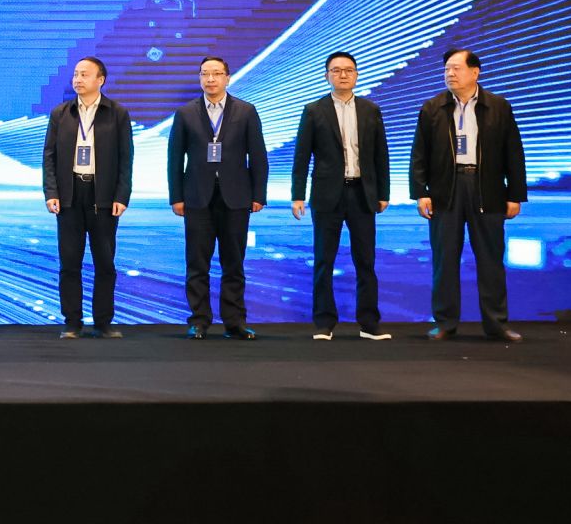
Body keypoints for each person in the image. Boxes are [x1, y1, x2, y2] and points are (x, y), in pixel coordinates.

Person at [411, 48, 529, 342]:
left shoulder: (498, 106)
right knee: (445, 259)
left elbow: (513, 152)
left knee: (491, 258)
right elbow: (419, 154)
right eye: (447, 69)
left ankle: (496, 323)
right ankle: (445, 323)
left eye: (456, 68)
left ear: (475, 72)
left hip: (486, 188)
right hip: (445, 190)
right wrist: (421, 192)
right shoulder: (432, 107)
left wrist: (515, 194)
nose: (450, 74)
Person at [291, 52, 392, 341]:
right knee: (324, 260)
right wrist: (298, 195)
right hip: (327, 195)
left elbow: (381, 155)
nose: (343, 75)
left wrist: (383, 192)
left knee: (366, 261)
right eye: (336, 70)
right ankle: (324, 323)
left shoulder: (370, 110)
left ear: (357, 75)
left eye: (348, 70)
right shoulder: (314, 110)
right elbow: (302, 156)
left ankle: (369, 323)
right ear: (327, 76)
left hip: (362, 194)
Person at [167, 55, 267, 340]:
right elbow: (175, 159)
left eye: (216, 74)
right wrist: (176, 196)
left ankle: (234, 322)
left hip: (237, 197)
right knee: (197, 263)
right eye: (205, 74)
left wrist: (258, 194)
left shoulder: (246, 111)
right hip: (196, 198)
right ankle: (199, 321)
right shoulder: (185, 113)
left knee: (233, 263)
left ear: (227, 78)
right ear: (199, 78)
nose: (210, 79)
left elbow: (258, 156)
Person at [40, 56, 133, 339]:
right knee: (70, 262)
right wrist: (51, 192)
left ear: (100, 80)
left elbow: (126, 158)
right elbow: (49, 156)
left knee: (105, 262)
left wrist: (122, 195)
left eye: (84, 75)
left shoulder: (117, 113)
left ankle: (103, 322)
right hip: (69, 195)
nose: (78, 80)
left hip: (103, 196)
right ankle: (72, 322)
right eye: (76, 74)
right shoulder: (61, 113)